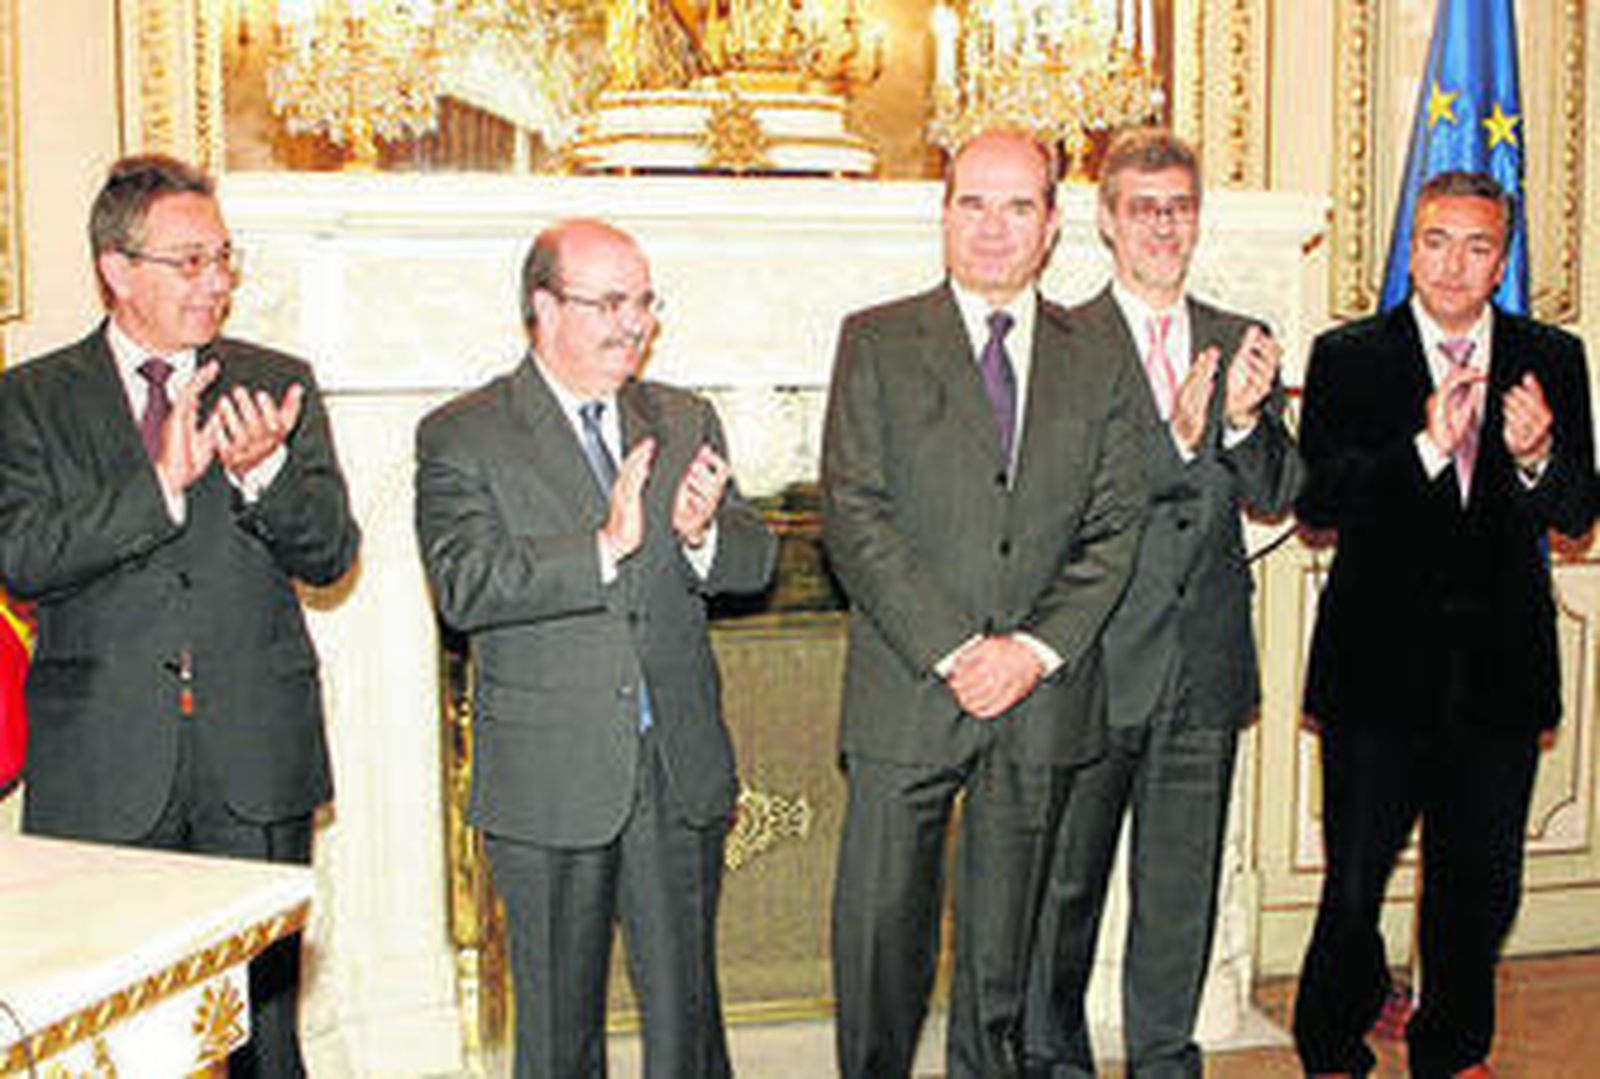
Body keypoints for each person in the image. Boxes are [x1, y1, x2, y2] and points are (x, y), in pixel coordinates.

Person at [0, 154, 360, 1077]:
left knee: (264, 1042)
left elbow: (331, 553)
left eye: (223, 258)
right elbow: (21, 555)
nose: (216, 282)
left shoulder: (275, 383)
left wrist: (263, 474)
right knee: (113, 1042)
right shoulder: (29, 399)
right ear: (118, 270)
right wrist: (158, 487)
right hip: (104, 764)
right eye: (189, 261)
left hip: (254, 756)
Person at [414, 219, 776, 1078]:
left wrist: (701, 536)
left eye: (644, 302)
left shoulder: (683, 417)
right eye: (609, 303)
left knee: (688, 1024)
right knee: (557, 1036)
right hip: (549, 776)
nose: (634, 323)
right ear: (544, 307)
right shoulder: (463, 432)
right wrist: (602, 547)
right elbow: (464, 584)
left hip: (676, 768)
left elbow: (756, 559)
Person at [821, 128, 1147, 1078]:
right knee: (879, 943)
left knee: (1004, 970)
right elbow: (853, 511)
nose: (993, 228)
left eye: (1017, 206)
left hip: (1039, 699)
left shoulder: (1102, 353)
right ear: (944, 215)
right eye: (972, 203)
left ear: (1052, 225)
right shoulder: (876, 340)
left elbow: (1115, 524)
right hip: (907, 689)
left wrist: (1029, 652)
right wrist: (958, 648)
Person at [1292, 171, 1594, 1079]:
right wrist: (1424, 446)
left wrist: (1537, 455)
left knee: (1479, 888)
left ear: (1502, 261)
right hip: (1375, 673)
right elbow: (1318, 501)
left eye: (1476, 246)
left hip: (1500, 674)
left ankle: (1453, 1050)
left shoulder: (1553, 355)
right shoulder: (1349, 354)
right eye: (1435, 241)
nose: (1453, 264)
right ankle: (1332, 1047)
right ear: (1410, 247)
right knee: (1353, 885)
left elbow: (1578, 510)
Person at [1023, 126, 1301, 1078]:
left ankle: (1164, 1061)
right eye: (1143, 208)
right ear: (1106, 220)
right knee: (1065, 892)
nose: (1163, 226)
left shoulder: (1238, 335)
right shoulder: (1060, 342)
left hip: (1202, 667)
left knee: (1181, 896)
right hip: (1092, 664)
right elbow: (1053, 504)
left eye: (1179, 207)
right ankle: (1053, 1060)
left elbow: (1283, 490)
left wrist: (1245, 421)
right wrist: (1180, 444)